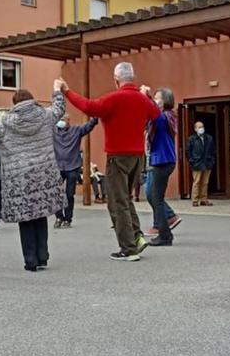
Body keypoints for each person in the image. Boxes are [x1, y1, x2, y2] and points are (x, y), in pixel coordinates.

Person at [61, 62, 160, 261]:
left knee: (117, 202)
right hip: (138, 156)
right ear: (132, 77)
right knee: (126, 199)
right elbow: (156, 114)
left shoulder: (113, 98)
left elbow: (88, 106)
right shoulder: (142, 100)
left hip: (118, 156)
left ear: (116, 80)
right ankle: (137, 237)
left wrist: (67, 92)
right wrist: (147, 96)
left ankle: (128, 248)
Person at [0, 84, 66, 271]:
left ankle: (30, 260)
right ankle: (42, 256)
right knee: (40, 215)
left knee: (26, 218)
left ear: (15, 103)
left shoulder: (7, 122)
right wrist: (56, 89)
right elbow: (59, 108)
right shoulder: (45, 116)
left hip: (20, 178)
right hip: (43, 174)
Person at [143, 86, 180, 246]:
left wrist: (147, 96)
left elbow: (154, 114)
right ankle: (166, 227)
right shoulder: (167, 116)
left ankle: (165, 234)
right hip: (162, 160)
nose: (156, 101)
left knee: (156, 198)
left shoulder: (165, 116)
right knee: (153, 195)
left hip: (162, 161)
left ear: (165, 101)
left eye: (158, 98)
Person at [52, 114, 98, 228]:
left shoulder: (76, 130)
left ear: (68, 121)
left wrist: (95, 118)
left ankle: (68, 219)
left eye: (63, 120)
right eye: (59, 120)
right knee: (55, 193)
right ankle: (59, 217)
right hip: (57, 166)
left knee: (69, 194)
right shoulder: (53, 132)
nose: (61, 122)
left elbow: (87, 127)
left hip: (72, 166)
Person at [187, 121, 216, 206]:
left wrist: (212, 160)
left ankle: (204, 199)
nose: (201, 129)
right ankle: (195, 200)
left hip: (207, 162)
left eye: (202, 126)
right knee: (197, 182)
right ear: (195, 129)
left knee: (205, 182)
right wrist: (192, 160)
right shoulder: (192, 139)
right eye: (199, 127)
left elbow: (213, 150)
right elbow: (188, 151)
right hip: (197, 163)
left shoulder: (209, 138)